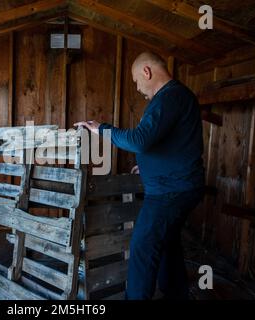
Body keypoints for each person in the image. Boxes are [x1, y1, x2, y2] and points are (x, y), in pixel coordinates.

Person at [75, 51, 205, 300]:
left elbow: (140, 140)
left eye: (136, 81)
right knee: (167, 244)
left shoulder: (171, 97)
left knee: (143, 247)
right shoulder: (174, 97)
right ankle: (177, 294)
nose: (137, 88)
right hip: (177, 186)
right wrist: (147, 167)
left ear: (147, 72)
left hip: (171, 191)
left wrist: (101, 129)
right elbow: (175, 144)